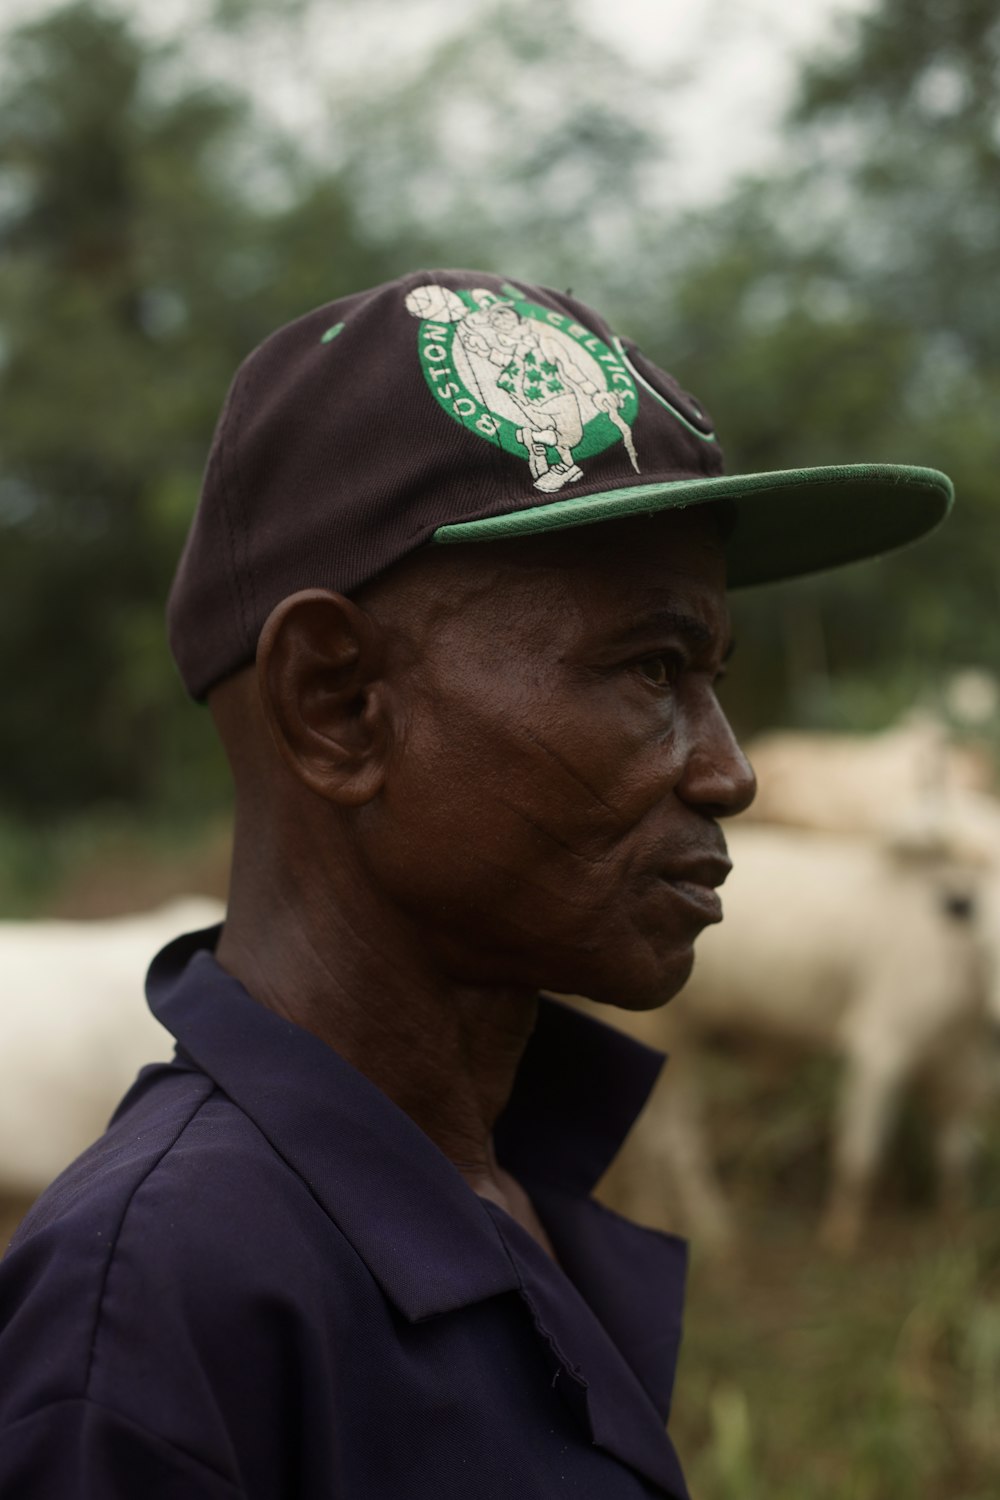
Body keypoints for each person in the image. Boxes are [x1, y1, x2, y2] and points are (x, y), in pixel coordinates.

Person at [0, 270, 952, 1498]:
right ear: (336, 705)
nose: (731, 775)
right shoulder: (157, 1326)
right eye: (653, 670)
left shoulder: (494, 1177)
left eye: (713, 675)